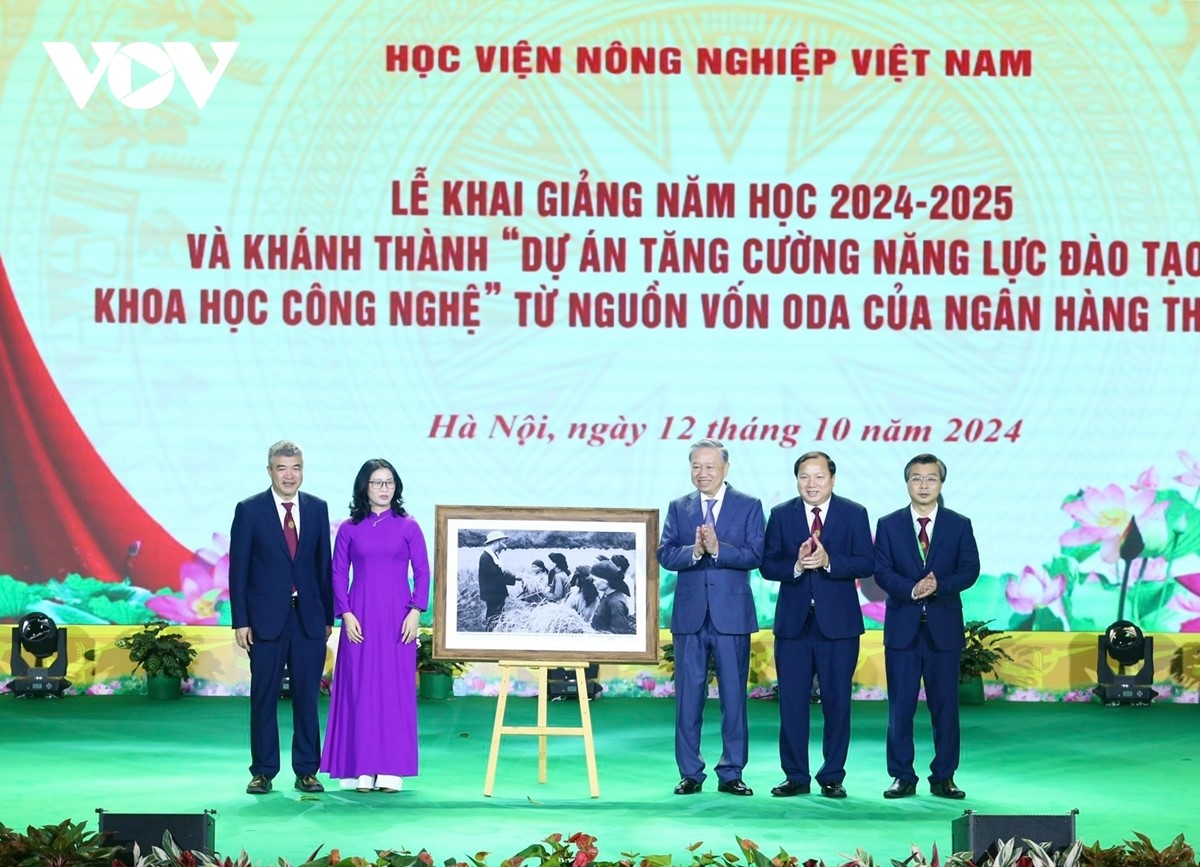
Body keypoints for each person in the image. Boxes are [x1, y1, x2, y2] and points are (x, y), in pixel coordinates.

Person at [761, 452, 873, 799]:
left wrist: (829, 561)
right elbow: (767, 565)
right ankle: (795, 775)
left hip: (839, 626)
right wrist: (795, 566)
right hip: (793, 626)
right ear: (796, 480)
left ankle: (832, 776)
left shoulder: (853, 513)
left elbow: (866, 563)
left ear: (832, 479)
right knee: (792, 705)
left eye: (819, 477)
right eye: (804, 477)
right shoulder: (781, 514)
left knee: (837, 704)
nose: (812, 484)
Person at [657, 438, 764, 796]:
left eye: (710, 467)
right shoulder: (679, 507)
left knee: (734, 698)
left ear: (725, 469)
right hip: (690, 617)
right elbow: (665, 554)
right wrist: (694, 551)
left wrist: (719, 550)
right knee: (688, 698)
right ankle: (690, 772)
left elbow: (756, 555)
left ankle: (732, 772)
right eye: (696, 466)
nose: (702, 473)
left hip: (731, 616)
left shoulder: (748, 505)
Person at [229, 440, 333, 795]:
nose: (290, 475)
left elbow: (323, 567)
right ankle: (263, 771)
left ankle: (307, 770)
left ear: (303, 470)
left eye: (296, 468)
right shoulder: (249, 510)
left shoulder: (317, 509)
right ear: (270, 471)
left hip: (309, 620)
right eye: (282, 468)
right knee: (264, 697)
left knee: (307, 697)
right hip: (264, 621)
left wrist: (328, 616)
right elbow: (238, 571)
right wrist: (241, 621)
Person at [874, 453, 980, 800]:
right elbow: (881, 571)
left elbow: (970, 569)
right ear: (907, 483)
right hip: (903, 629)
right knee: (900, 708)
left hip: (943, 630)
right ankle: (902, 776)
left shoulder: (958, 524)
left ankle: (944, 776)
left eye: (931, 478)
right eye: (916, 478)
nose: (923, 485)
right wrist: (911, 588)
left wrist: (940, 586)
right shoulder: (889, 524)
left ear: (941, 483)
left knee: (945, 707)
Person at [321, 459, 429, 793]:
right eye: (377, 482)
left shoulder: (409, 526)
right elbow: (338, 573)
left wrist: (416, 610)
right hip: (360, 616)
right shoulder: (349, 528)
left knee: (394, 690)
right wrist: (346, 613)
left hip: (399, 618)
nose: (384, 488)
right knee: (359, 689)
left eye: (389, 482)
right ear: (363, 487)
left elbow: (423, 571)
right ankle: (360, 769)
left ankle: (392, 769)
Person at [477, 530, 519, 630]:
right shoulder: (486, 557)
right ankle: (490, 633)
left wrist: (511, 575)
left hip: (495, 594)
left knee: (496, 616)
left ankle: (493, 631)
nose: (504, 544)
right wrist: (515, 578)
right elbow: (495, 577)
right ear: (496, 542)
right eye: (502, 541)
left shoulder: (491, 555)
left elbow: (498, 572)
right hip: (493, 595)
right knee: (494, 617)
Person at [590, 558, 634, 634]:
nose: (593, 583)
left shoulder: (616, 603)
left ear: (606, 581)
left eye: (595, 580)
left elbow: (619, 632)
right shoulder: (607, 595)